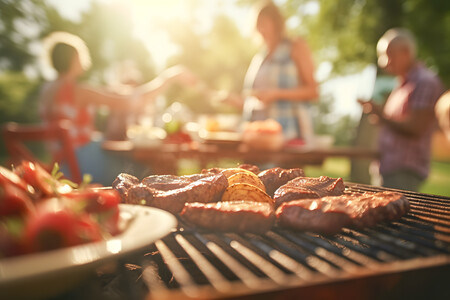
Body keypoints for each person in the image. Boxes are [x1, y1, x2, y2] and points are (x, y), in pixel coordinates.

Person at [39, 31, 197, 185]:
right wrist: (170, 77)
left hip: (61, 165)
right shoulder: (78, 91)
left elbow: (114, 94)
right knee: (147, 169)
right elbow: (134, 100)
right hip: (83, 166)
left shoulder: (47, 91)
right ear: (74, 59)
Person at [216, 1, 318, 143]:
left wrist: (276, 93)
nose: (260, 28)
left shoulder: (295, 46)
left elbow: (313, 91)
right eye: (258, 24)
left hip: (288, 136)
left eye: (264, 23)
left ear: (276, 23)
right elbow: (253, 101)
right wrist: (234, 100)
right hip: (256, 137)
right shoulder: (259, 58)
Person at [359, 28, 445, 192]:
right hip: (388, 166)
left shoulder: (424, 82)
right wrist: (381, 117)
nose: (383, 62)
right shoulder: (401, 84)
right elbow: (398, 122)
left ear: (406, 52)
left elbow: (416, 127)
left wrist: (382, 115)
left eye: (388, 54)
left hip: (404, 169)